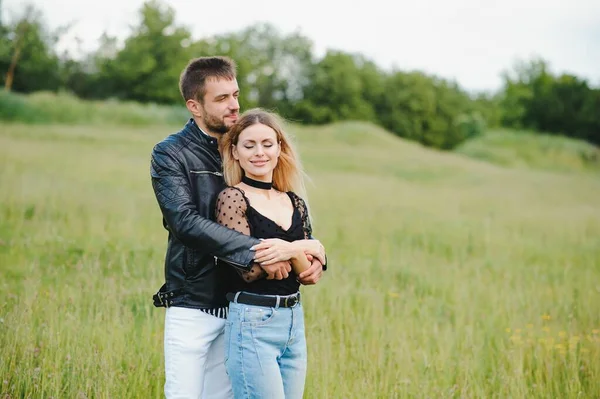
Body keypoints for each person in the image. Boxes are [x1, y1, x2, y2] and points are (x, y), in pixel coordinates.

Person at [149, 56, 326, 399]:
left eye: (235, 94)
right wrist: (260, 252)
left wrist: (313, 251)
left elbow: (281, 206)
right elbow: (183, 221)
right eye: (221, 99)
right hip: (195, 298)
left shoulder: (247, 142)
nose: (233, 105)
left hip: (244, 307)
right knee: (183, 394)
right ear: (194, 106)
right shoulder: (171, 153)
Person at [215, 108, 321, 399]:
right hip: (252, 321)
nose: (259, 153)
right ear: (235, 152)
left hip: (293, 322)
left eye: (267, 144)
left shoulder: (294, 201)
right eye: (249, 146)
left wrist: (287, 250)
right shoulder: (232, 198)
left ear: (279, 149)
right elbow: (249, 270)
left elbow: (308, 274)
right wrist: (306, 248)